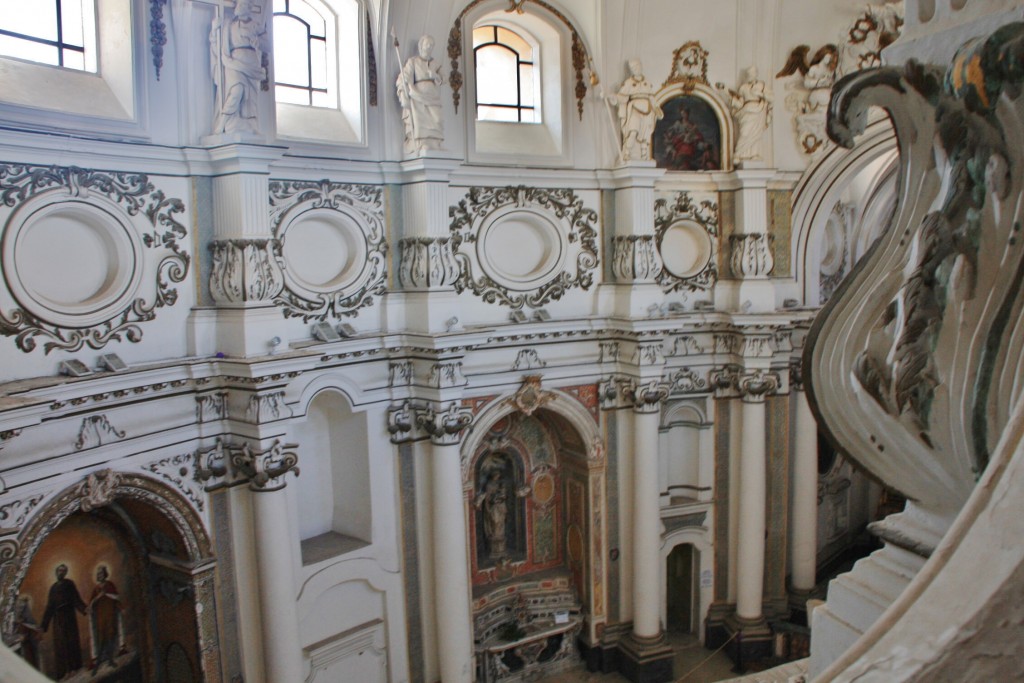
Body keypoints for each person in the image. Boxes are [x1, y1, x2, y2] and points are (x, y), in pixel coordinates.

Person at [211, 0, 267, 135]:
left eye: (243, 4)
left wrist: (258, 42)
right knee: (237, 89)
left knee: (251, 97)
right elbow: (217, 44)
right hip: (233, 62)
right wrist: (214, 29)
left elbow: (268, 45)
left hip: (251, 63)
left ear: (249, 8)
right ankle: (222, 123)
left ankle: (251, 125)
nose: (238, 7)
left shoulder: (256, 26)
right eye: (238, 4)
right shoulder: (228, 25)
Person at [397, 35, 445, 154]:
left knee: (437, 119)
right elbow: (404, 77)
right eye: (427, 44)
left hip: (433, 97)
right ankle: (421, 143)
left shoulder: (435, 63)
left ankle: (435, 143)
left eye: (431, 45)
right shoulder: (413, 61)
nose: (429, 47)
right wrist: (406, 91)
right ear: (421, 46)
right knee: (420, 120)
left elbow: (444, 78)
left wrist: (435, 76)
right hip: (418, 96)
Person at [610, 59, 663, 161]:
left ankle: (644, 157)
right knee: (633, 131)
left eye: (637, 67)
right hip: (634, 109)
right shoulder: (629, 83)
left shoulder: (647, 83)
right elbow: (623, 97)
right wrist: (612, 97)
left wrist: (657, 109)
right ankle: (626, 154)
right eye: (633, 68)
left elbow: (652, 98)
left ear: (641, 66)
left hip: (648, 111)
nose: (636, 69)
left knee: (645, 136)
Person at [40, 564, 87, 680]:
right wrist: (43, 625)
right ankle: (65, 672)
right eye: (59, 571)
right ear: (56, 572)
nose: (60, 573)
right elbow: (50, 607)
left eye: (63, 571)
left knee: (71, 641)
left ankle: (74, 668)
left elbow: (76, 598)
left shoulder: (69, 584)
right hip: (58, 619)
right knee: (61, 644)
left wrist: (84, 609)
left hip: (69, 615)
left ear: (65, 573)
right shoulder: (53, 588)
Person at [730, 66, 773, 163]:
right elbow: (740, 103)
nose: (750, 75)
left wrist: (760, 94)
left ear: (756, 74)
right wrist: (733, 100)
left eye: (752, 73)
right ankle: (739, 153)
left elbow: (771, 98)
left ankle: (754, 155)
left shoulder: (762, 85)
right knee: (745, 132)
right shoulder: (743, 87)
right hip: (746, 110)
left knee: (756, 133)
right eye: (749, 74)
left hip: (759, 110)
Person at [88, 565, 123, 676]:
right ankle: (99, 662)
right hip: (100, 617)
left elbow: (116, 597)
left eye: (101, 573)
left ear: (105, 574)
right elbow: (92, 603)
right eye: (98, 574)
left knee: (111, 636)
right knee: (101, 638)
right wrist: (98, 598)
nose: (100, 575)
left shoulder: (109, 585)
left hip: (110, 615)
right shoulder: (96, 589)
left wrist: (106, 594)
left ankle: (110, 659)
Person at [475, 470, 509, 558]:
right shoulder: (489, 485)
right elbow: (487, 497)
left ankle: (500, 536)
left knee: (501, 521)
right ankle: (494, 536)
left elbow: (504, 495)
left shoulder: (500, 484)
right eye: (496, 475)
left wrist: (501, 497)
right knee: (495, 521)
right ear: (493, 475)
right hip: (493, 507)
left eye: (498, 475)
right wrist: (487, 507)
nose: (497, 476)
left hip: (500, 506)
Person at [12, 595, 41, 670]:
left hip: (22, 638)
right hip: (21, 639)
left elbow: (29, 621)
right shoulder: (21, 604)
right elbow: (30, 621)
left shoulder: (21, 604)